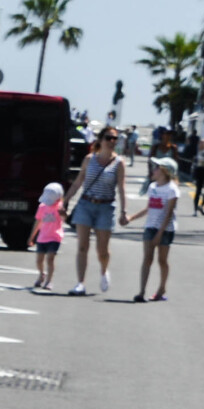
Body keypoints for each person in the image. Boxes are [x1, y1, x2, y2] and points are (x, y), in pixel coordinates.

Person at [63, 126, 130, 295]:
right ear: (100, 140)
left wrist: (124, 211)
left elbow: (121, 188)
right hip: (86, 204)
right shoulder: (89, 159)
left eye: (115, 139)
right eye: (108, 138)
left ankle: (103, 270)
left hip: (105, 207)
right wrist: (65, 201)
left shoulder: (119, 163)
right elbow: (78, 182)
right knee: (83, 246)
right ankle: (80, 283)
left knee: (102, 250)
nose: (112, 141)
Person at [134, 158, 179, 302]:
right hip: (150, 226)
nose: (154, 170)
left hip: (165, 230)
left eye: (157, 168)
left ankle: (161, 288)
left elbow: (169, 213)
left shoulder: (172, 190)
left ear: (165, 171)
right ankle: (141, 292)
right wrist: (131, 218)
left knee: (162, 260)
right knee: (147, 258)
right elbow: (149, 208)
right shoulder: (152, 187)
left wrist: (160, 233)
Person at [31, 181, 66, 292]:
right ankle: (42, 274)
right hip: (42, 237)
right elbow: (38, 222)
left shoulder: (60, 207)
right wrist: (32, 237)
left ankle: (49, 281)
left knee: (50, 259)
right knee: (39, 260)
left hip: (55, 236)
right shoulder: (42, 207)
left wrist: (64, 213)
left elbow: (65, 219)